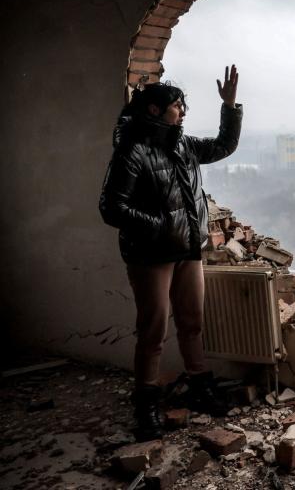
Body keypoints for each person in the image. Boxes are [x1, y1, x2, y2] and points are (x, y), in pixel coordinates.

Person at [99, 65, 242, 440]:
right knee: (154, 329)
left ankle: (199, 387)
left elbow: (224, 146)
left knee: (192, 322)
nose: (183, 111)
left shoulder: (183, 144)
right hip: (151, 255)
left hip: (188, 250)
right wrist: (161, 225)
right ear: (153, 110)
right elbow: (112, 208)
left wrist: (230, 107)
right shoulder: (132, 151)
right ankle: (146, 402)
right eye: (178, 105)